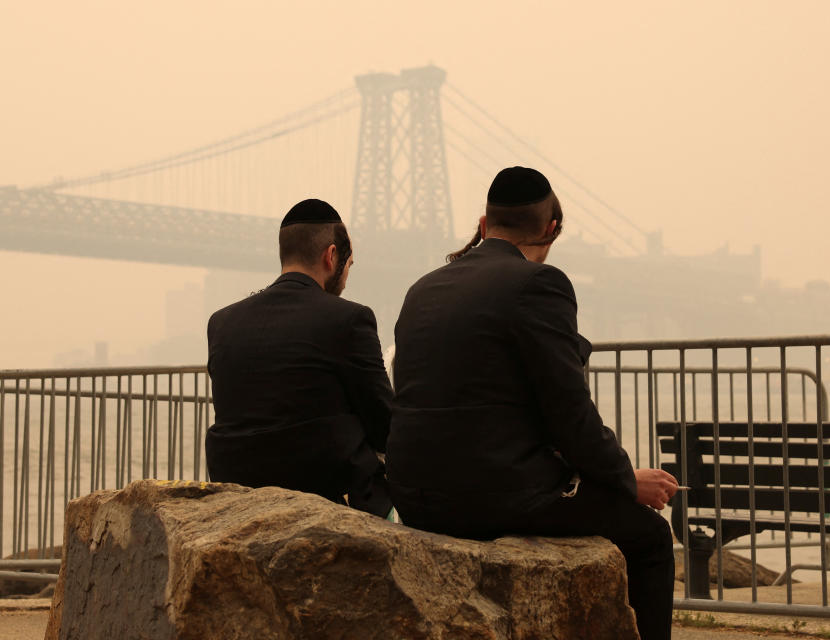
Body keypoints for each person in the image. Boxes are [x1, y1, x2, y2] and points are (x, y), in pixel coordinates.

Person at [387, 167, 677, 639]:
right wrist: (626, 482)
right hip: (491, 496)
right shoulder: (539, 283)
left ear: (484, 224)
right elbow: (571, 416)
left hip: (414, 496)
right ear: (551, 229)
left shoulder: (423, 288)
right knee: (650, 538)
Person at [205, 198, 392, 517]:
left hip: (236, 488)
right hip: (321, 495)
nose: (346, 279)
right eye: (349, 267)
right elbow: (385, 425)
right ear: (331, 256)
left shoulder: (222, 322)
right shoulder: (349, 319)